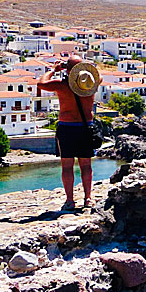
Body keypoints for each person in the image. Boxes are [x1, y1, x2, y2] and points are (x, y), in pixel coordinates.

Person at [37, 55, 102, 210]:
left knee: (67, 166)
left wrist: (54, 69)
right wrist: (85, 68)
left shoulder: (61, 85)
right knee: (86, 165)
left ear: (68, 70)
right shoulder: (90, 84)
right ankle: (88, 198)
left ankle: (70, 201)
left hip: (67, 128)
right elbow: (99, 76)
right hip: (86, 128)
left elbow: (41, 83)